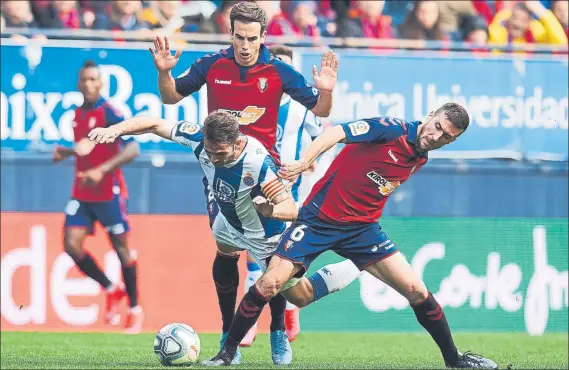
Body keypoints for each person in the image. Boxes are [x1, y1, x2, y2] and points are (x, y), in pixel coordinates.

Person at [203, 103, 499, 369]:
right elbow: (336, 133)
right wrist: (305, 162)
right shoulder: (390, 128)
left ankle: (454, 360)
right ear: (431, 114)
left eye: (446, 136)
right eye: (437, 127)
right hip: (317, 220)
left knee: (416, 290)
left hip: (363, 230)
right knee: (270, 283)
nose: (437, 136)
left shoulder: (419, 156)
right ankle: (226, 355)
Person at [87, 111, 361, 365]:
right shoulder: (199, 138)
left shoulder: (257, 162)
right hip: (227, 223)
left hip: (263, 234)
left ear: (237, 143)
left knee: (298, 295)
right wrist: (116, 129)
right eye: (210, 151)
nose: (214, 159)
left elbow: (290, 209)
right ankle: (227, 337)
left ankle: (279, 327)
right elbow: (154, 123)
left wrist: (271, 209)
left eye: (220, 154)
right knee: (224, 266)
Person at [149, 0, 338, 362]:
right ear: (230, 33)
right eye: (239, 37)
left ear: (264, 36)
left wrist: (325, 91)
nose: (245, 45)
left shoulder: (279, 71)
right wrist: (164, 73)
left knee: (273, 258)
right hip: (217, 170)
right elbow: (170, 97)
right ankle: (226, 334)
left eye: (252, 38)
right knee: (226, 250)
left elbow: (321, 110)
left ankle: (278, 329)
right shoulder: (212, 64)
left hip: (262, 175)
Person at [52, 60, 143, 334]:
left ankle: (135, 308)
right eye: (85, 80)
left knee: (121, 249)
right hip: (81, 192)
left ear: (101, 83)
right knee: (71, 245)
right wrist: (67, 152)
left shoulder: (110, 113)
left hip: (108, 192)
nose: (90, 84)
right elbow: (85, 148)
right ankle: (111, 289)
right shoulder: (77, 115)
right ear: (79, 84)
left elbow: (134, 149)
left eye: (94, 80)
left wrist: (101, 170)